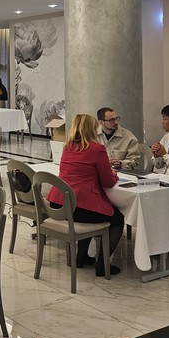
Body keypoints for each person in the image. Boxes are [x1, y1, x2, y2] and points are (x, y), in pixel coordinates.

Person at [47, 114, 123, 276]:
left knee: (88, 211)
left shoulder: (68, 146)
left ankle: (81, 257)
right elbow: (107, 182)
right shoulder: (97, 149)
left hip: (59, 202)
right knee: (117, 219)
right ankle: (103, 264)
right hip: (79, 205)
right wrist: (114, 175)